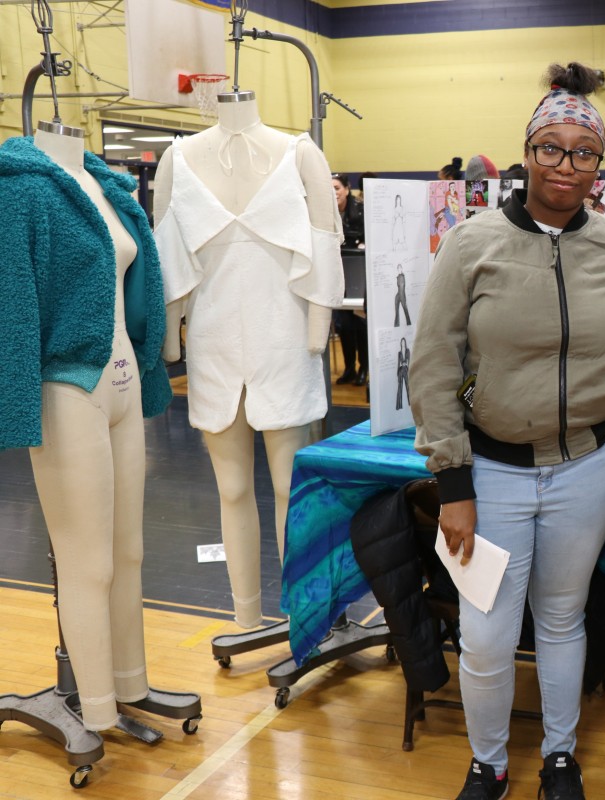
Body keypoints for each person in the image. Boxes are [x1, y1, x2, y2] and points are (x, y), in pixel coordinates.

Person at [411, 61, 605, 800]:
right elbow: (434, 365)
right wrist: (453, 483)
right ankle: (488, 764)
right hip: (493, 473)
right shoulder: (471, 244)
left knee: (563, 620)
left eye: (584, 151)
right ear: (527, 153)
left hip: (590, 469)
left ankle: (560, 758)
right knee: (483, 635)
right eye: (551, 147)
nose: (566, 165)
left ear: (599, 165)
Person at [1, 125, 198, 732]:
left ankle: (129, 686)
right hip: (67, 386)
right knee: (88, 561)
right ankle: (96, 710)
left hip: (123, 380)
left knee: (129, 550)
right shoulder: (22, 191)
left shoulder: (109, 186)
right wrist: (14, 405)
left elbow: (142, 281)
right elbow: (12, 299)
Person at [155, 90, 344, 630]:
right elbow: (166, 251)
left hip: (285, 340)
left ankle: (302, 615)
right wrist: (174, 341)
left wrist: (316, 331)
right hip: (213, 344)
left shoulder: (299, 152)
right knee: (231, 489)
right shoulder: (179, 157)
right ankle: (244, 617)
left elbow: (325, 242)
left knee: (290, 487)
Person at [333, 174, 368, 384]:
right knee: (343, 323)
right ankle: (348, 369)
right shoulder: (325, 214)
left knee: (359, 322)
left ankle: (363, 368)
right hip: (338, 274)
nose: (334, 192)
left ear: (347, 189)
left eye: (337, 188)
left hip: (359, 274)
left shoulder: (361, 211)